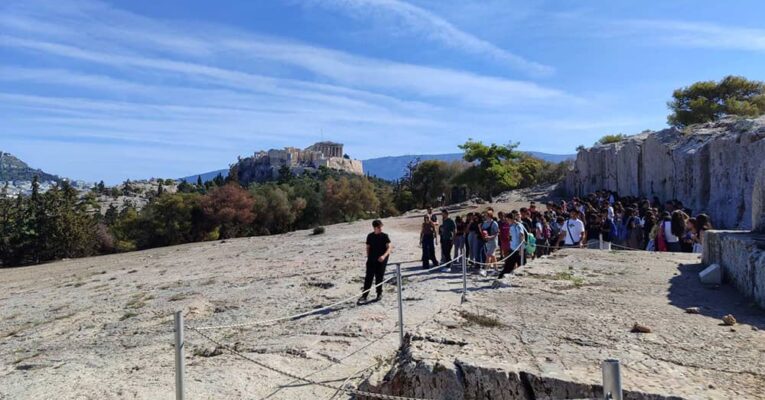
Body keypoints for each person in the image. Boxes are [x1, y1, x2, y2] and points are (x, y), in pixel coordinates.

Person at [359, 220, 392, 304]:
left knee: (379, 277)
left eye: (381, 227)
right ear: (375, 228)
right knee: (368, 277)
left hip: (381, 260)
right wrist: (369, 257)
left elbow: (389, 248)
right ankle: (364, 295)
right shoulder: (370, 236)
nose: (381, 228)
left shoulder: (385, 236)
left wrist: (384, 256)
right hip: (371, 260)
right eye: (379, 227)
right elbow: (368, 247)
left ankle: (379, 293)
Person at [497, 210, 525, 281]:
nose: (507, 221)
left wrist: (521, 250)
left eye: (507, 219)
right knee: (508, 266)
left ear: (511, 219)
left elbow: (522, 236)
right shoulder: (511, 226)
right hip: (512, 249)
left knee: (523, 266)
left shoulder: (518, 225)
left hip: (518, 250)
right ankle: (500, 279)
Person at [479, 208, 500, 276]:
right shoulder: (485, 223)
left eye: (486, 215)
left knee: (488, 255)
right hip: (487, 242)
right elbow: (483, 232)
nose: (484, 216)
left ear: (489, 215)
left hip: (493, 242)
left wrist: (490, 237)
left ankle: (485, 270)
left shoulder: (494, 223)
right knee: (493, 256)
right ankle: (496, 270)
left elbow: (497, 233)